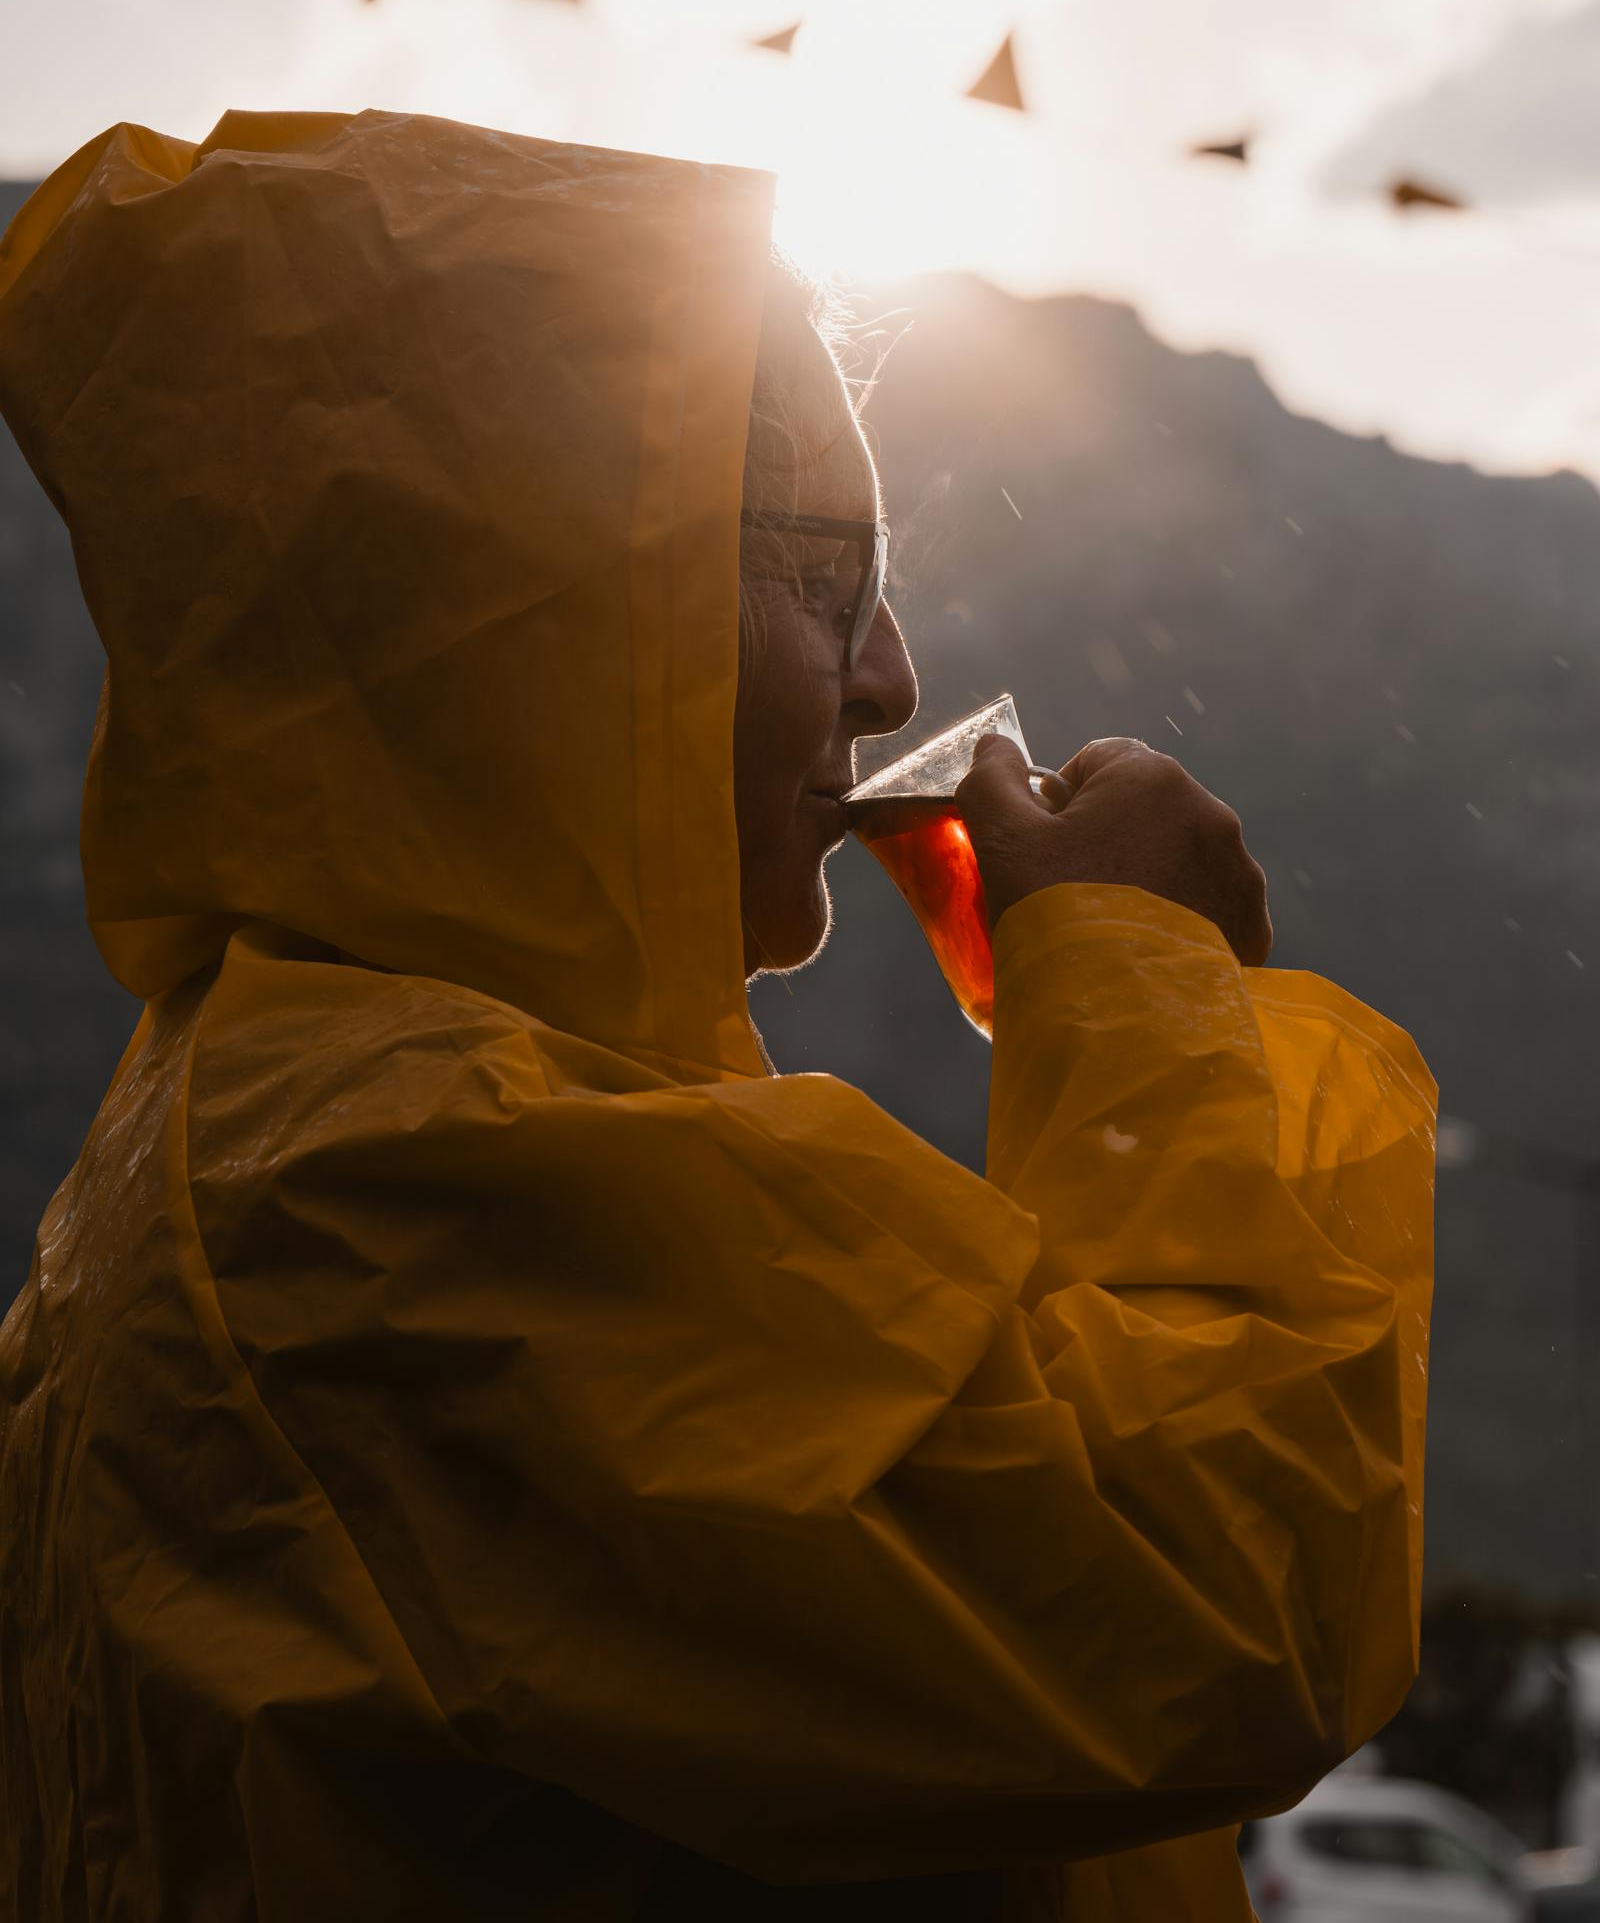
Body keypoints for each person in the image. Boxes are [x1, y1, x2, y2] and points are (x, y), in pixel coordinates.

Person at [0, 109, 1434, 1923]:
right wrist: (1143, 987)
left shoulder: (297, 1116)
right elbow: (1219, 1603)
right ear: (537, 596)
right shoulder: (397, 1187)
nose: (893, 673)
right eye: (825, 575)